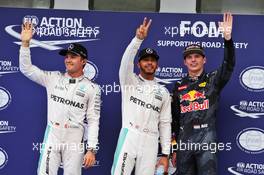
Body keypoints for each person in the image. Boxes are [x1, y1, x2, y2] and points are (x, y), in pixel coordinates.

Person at [19, 22, 101, 175]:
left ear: (83, 61)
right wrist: (25, 43)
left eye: (73, 57)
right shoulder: (53, 78)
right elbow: (26, 69)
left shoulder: (92, 88)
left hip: (75, 138)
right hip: (53, 135)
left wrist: (91, 149)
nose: (68, 60)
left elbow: (93, 120)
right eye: (67, 57)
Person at [171, 13, 235, 175]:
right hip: (184, 142)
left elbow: (229, 66)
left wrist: (227, 41)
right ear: (185, 62)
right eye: (189, 57)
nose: (193, 60)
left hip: (207, 141)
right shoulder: (178, 86)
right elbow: (174, 120)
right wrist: (174, 149)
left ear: (204, 59)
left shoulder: (213, 80)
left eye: (197, 56)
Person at [111, 17, 172, 175]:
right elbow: (125, 62)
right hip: (129, 136)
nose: (149, 63)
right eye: (145, 60)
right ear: (139, 64)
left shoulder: (163, 92)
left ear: (157, 65)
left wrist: (165, 154)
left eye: (153, 61)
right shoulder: (129, 81)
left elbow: (165, 123)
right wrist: (138, 40)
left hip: (151, 141)